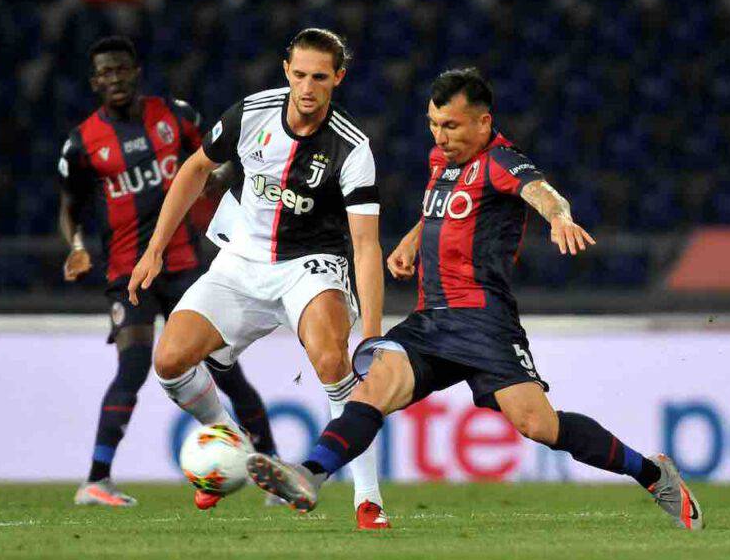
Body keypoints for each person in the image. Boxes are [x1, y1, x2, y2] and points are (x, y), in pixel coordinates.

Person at [246, 68, 705, 531]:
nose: (440, 136)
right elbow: (440, 210)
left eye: (452, 126)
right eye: (433, 124)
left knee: (539, 426)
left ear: (483, 124)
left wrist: (559, 218)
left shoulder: (501, 162)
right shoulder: (440, 161)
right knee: (373, 388)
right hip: (431, 322)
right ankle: (309, 474)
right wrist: (412, 240)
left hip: (485, 324)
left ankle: (652, 474)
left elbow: (542, 193)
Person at [127, 28, 390, 530]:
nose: (307, 87)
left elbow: (364, 244)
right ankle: (231, 444)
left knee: (332, 358)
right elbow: (195, 169)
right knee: (169, 360)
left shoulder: (353, 149)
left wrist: (372, 332)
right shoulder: (252, 114)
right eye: (299, 75)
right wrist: (155, 249)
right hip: (242, 260)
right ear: (285, 70)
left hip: (310, 265)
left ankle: (368, 499)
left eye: (319, 77)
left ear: (338, 77)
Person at [59, 36, 278, 507]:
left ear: (136, 70)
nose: (114, 79)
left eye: (121, 69)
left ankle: (273, 471)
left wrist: (218, 182)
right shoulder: (82, 143)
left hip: (183, 267)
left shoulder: (177, 116)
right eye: (104, 73)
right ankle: (97, 479)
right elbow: (70, 205)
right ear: (94, 82)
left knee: (225, 369)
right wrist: (76, 246)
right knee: (134, 366)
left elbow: (214, 163)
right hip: (127, 274)